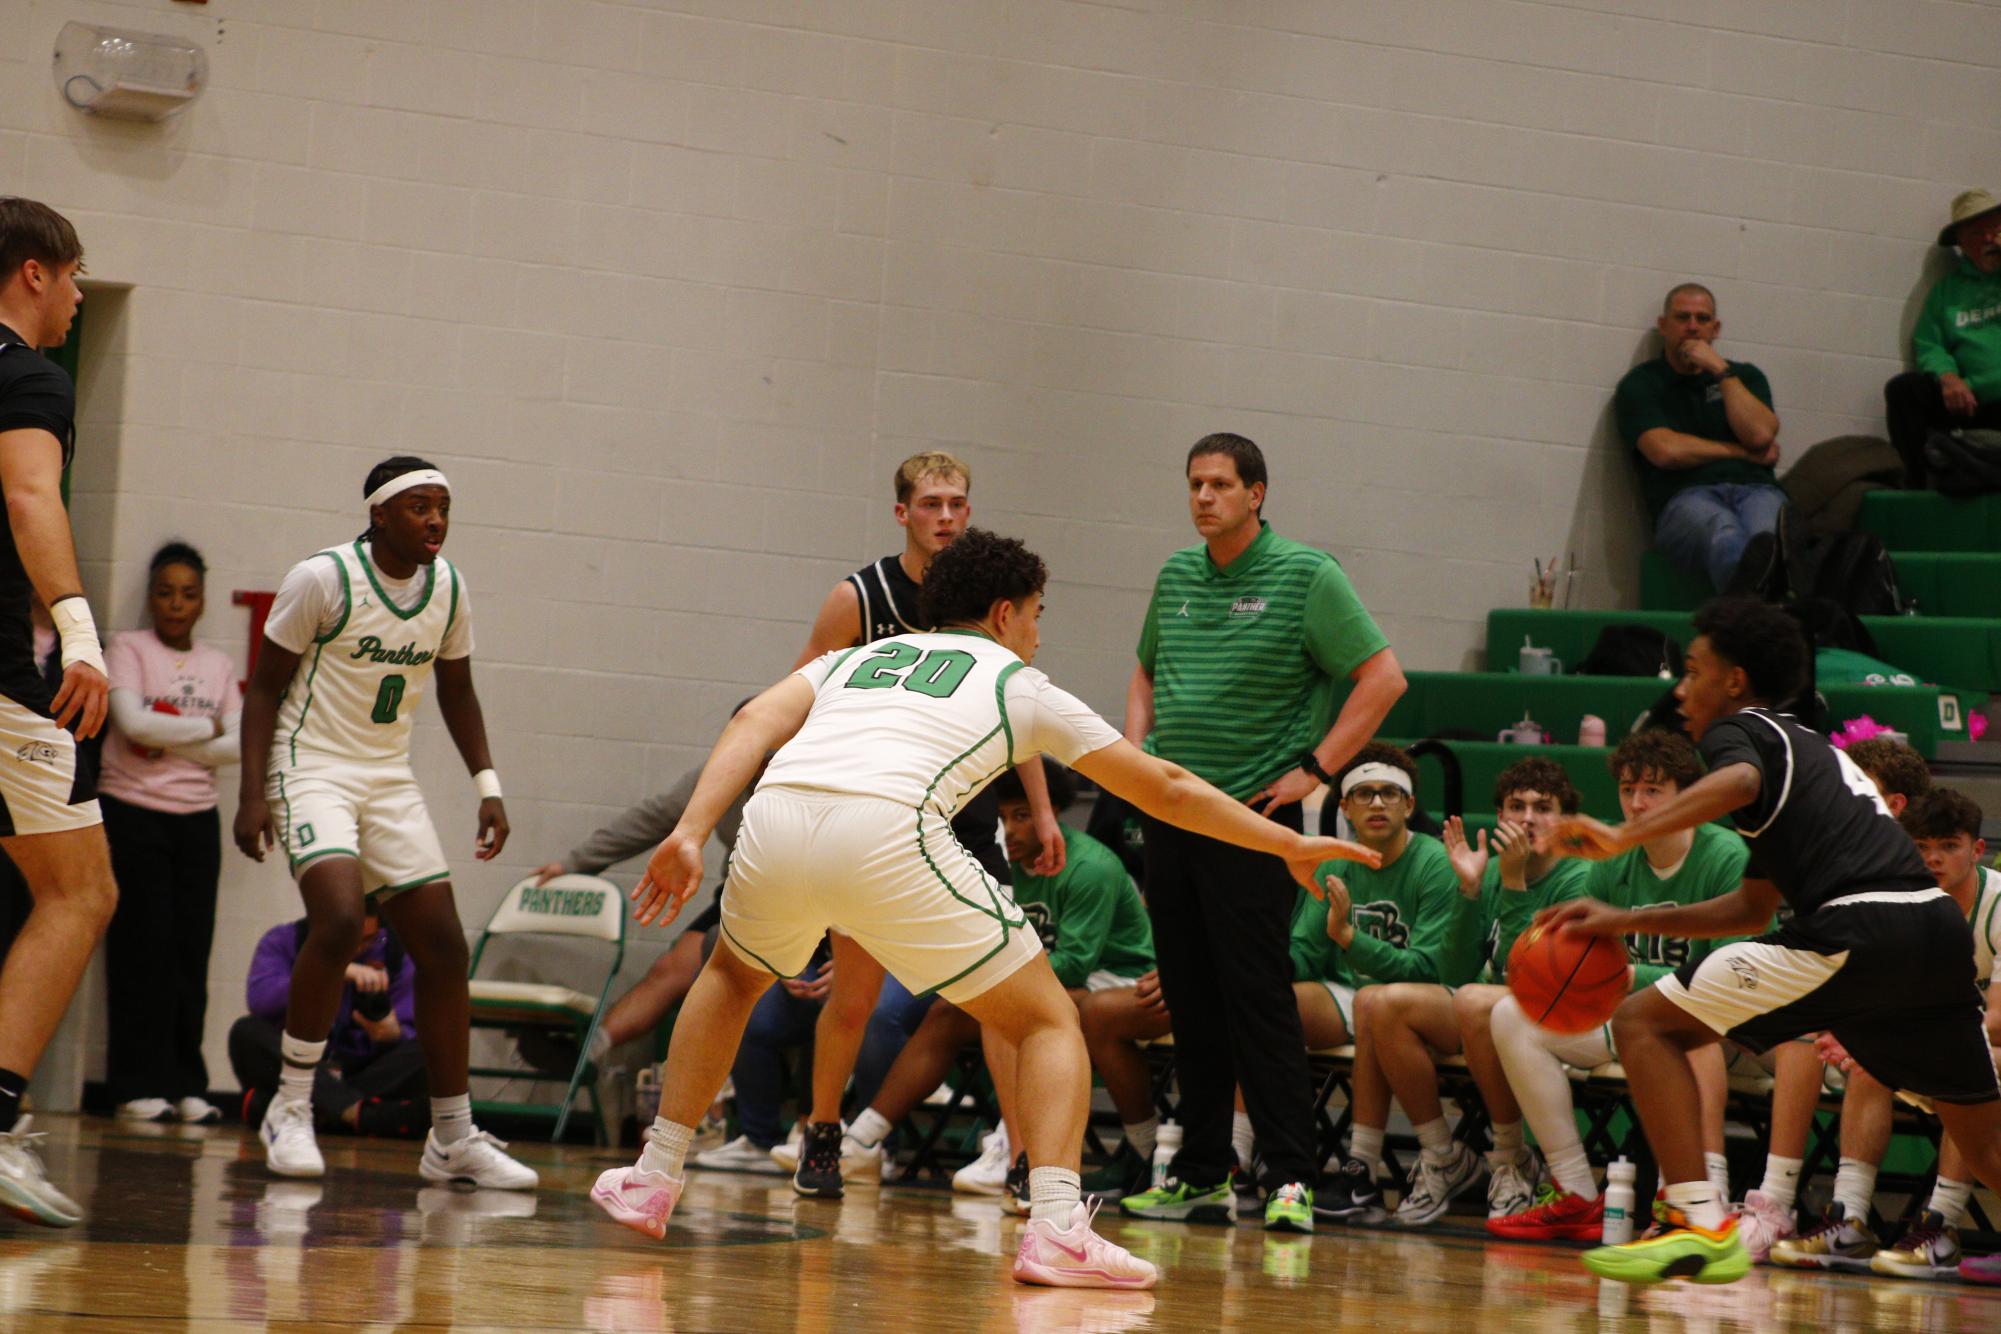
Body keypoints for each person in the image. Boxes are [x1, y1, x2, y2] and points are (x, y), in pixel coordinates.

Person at [588, 527, 1380, 1291]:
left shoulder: (858, 657)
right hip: (885, 830)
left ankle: (654, 1175)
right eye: (1036, 615)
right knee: (1042, 1021)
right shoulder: (1014, 682)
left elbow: (752, 719)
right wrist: (1284, 846)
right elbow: (1164, 788)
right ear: (1004, 613)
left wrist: (693, 830)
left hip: (777, 816)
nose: (1038, 634)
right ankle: (1057, 1227)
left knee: (729, 978)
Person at [1537, 596, 2001, 1286]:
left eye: (1692, 670)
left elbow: (1738, 780)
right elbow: (1751, 910)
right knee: (1988, 1151)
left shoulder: (1742, 732)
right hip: (1931, 933)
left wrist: (1621, 835)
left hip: (1860, 927)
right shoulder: (1810, 761)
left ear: (1733, 679)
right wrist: (1619, 919)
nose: (1679, 687)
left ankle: (1695, 1220)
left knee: (1643, 1024)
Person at [1118, 433, 1405, 1236]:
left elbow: (1383, 678)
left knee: (1256, 1000)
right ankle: (1202, 1172)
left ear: (1257, 493)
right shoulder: (1175, 575)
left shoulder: (1307, 575)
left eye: (1219, 484)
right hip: (1172, 814)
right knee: (1189, 1000)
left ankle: (1289, 1176)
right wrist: (1137, 749)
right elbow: (1144, 669)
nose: (1203, 497)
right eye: (1193, 485)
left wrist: (1314, 768)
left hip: (1253, 823)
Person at [233, 456, 534, 1191]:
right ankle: (292, 1108)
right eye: (419, 508)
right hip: (312, 766)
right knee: (337, 921)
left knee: (441, 948)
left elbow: (458, 690)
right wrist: (251, 794)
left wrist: (487, 785)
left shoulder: (450, 587)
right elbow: (265, 687)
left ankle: (453, 1138)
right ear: (379, 515)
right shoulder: (323, 578)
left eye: (443, 509)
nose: (435, 521)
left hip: (387, 776)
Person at [783, 451, 1065, 1199]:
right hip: (879, 815)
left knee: (1009, 997)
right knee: (854, 995)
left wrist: (1038, 810)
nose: (946, 515)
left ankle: (1021, 1159)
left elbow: (1019, 703)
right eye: (932, 503)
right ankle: (820, 1134)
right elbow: (796, 698)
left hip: (967, 814)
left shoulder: (990, 597)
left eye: (957, 503)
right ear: (902, 512)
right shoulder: (861, 598)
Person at [832, 759, 1155, 1205]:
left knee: (1009, 1004)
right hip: (1052, 981)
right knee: (949, 1013)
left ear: (1053, 812)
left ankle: (1015, 1146)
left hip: (1115, 979)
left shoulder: (1090, 867)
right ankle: (863, 1141)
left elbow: (1077, 963)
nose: (1011, 830)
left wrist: (998, 977)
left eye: (1021, 816)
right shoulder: (1001, 869)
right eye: (1002, 818)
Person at [1486, 731, 1750, 1241]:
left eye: (1653, 790)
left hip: (1724, 1026)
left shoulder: (1726, 856)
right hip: (1633, 1019)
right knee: (1509, 1015)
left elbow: (1734, 970)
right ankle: (1576, 1193)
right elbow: (1564, 944)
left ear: (1686, 795)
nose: (1636, 803)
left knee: (1688, 1032)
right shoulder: (1609, 858)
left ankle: (1700, 1200)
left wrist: (1634, 977)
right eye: (1628, 790)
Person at [1319, 758, 1589, 1227]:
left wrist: (1513, 882)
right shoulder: (1488, 868)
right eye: (1515, 806)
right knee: (1381, 1002)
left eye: (1543, 807)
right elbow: (1451, 969)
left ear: (1564, 819)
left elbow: (1529, 976)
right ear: (1499, 816)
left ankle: (1511, 1158)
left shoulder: (1579, 878)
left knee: (1474, 1001)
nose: (1527, 818)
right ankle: (1443, 1155)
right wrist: (1469, 889)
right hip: (1481, 1013)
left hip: (1553, 1020)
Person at [0, 197, 116, 1230]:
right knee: (81, 890)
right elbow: (32, 494)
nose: (79, 296)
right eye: (74, 275)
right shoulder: (28, 375)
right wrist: (77, 629)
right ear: (33, 272)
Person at [1733, 733, 1931, 1263]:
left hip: (1924, 1037)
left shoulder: (1921, 869)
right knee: (1793, 1029)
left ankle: (1853, 1214)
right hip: (1841, 1030)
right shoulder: (1833, 860)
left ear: (1893, 806)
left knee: (1855, 1049)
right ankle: (1771, 1204)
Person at [97, 542, 240, 1125]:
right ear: (151, 595)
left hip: (196, 820)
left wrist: (174, 731)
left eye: (187, 593)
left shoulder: (218, 665)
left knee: (190, 952)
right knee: (141, 949)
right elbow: (129, 722)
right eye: (164, 591)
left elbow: (239, 744)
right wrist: (206, 731)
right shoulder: (127, 649)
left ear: (202, 601)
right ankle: (135, 1084)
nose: (175, 603)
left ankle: (187, 1084)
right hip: (133, 812)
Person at [1873, 789, 2001, 1284]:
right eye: (1923, 846)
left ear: (1978, 849)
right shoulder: (1904, 903)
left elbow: (1995, 1020)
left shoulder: (1997, 905)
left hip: (1984, 1044)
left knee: (1962, 1056)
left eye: (1948, 845)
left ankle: (1940, 1224)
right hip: (1954, 1044)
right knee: (1869, 1056)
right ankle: (1846, 1216)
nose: (1933, 858)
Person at [1615, 283, 1784, 592]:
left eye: (1702, 319)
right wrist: (1743, 453)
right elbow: (1665, 451)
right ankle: (1752, 628)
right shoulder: (1641, 383)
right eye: (1682, 318)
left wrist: (1720, 370)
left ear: (1715, 329)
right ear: (1663, 326)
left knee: (1769, 543)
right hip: (1685, 499)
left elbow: (1759, 435)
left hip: (1757, 490)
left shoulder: (1744, 377)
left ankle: (1756, 626)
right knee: (1727, 535)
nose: (1692, 328)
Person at [229, 910, 428, 1138]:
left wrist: (396, 1034)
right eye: (346, 940)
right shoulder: (283, 940)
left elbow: (412, 1027)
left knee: (431, 1050)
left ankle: (292, 1110)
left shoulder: (396, 951)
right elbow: (261, 1001)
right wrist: (330, 972)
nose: (355, 949)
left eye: (366, 940)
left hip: (362, 1071)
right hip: (298, 1064)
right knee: (246, 1031)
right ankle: (363, 1115)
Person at [1884, 189, 2001, 487]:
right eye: (1978, 233)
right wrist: (1948, 377)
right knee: (1903, 390)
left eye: (1996, 230)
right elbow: (1929, 343)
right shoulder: (1947, 291)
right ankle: (1916, 482)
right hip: (1971, 401)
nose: (1989, 240)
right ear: (1961, 244)